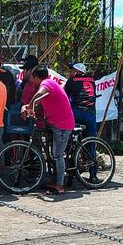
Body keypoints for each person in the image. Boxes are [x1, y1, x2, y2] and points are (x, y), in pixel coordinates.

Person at [23, 66, 75, 195]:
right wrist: (28, 108)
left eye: (32, 78)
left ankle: (60, 185)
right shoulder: (48, 86)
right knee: (53, 153)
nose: (31, 81)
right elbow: (39, 103)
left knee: (57, 154)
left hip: (62, 124)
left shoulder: (47, 83)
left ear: (36, 77)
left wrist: (29, 106)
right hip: (54, 123)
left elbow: (39, 94)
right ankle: (54, 180)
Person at [64, 62, 97, 139]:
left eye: (71, 71)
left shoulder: (72, 80)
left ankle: (68, 147)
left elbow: (65, 98)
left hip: (76, 113)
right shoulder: (92, 80)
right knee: (91, 140)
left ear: (76, 71)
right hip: (91, 113)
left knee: (65, 131)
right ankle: (90, 150)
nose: (70, 73)